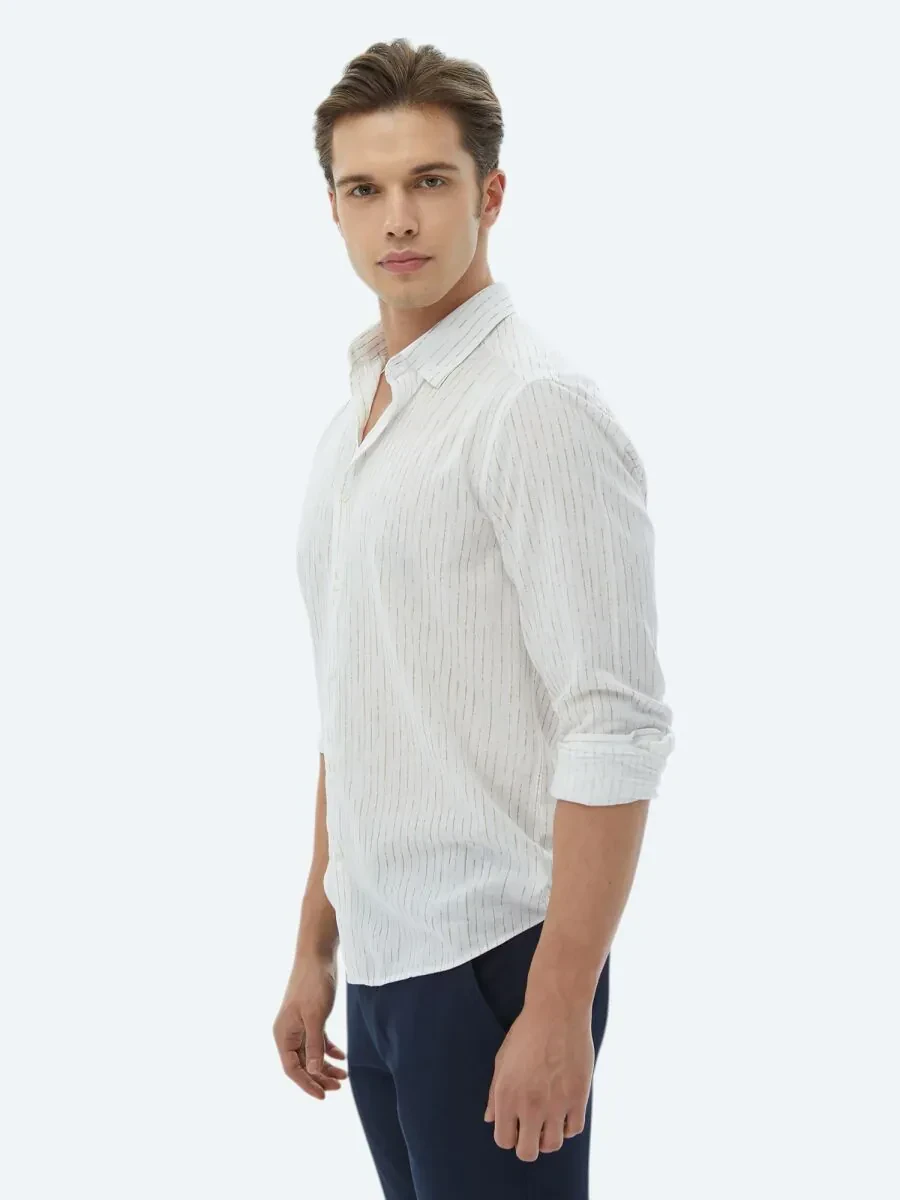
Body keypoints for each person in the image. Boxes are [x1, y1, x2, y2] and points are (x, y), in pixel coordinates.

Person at [273, 37, 675, 1199]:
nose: (398, 218)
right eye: (366, 188)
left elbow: (616, 725)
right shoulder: (358, 419)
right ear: (335, 208)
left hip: (498, 964)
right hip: (383, 960)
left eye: (430, 181)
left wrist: (559, 1005)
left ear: (490, 195)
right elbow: (357, 705)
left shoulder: (534, 410)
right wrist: (316, 942)